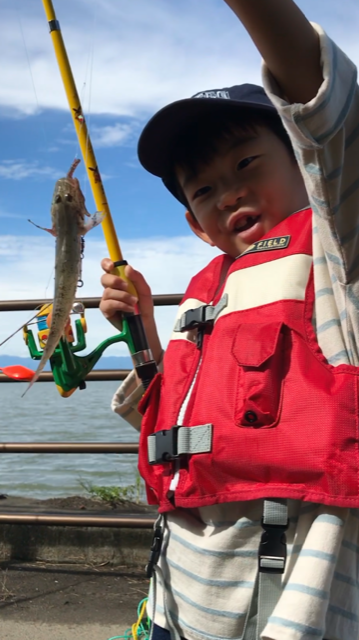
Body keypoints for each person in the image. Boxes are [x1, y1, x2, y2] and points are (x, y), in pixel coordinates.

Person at [100, 1, 359, 639]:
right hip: (175, 603)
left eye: (247, 164)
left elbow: (329, 107)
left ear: (307, 163)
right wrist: (147, 332)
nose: (229, 193)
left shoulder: (340, 262)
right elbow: (180, 422)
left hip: (287, 613)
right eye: (204, 190)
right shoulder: (205, 294)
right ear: (194, 223)